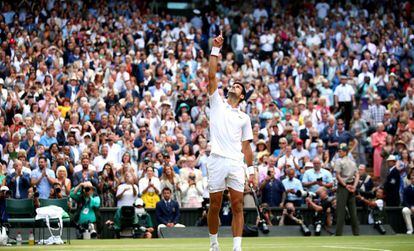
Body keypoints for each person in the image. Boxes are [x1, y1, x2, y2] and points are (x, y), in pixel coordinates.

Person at [207, 31, 254, 251]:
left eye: (238, 86)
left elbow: (246, 147)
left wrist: (251, 169)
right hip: (216, 159)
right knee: (214, 206)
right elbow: (211, 76)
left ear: (242, 96)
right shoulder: (216, 102)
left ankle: (237, 248)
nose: (234, 86)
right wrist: (216, 48)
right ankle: (214, 244)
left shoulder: (244, 117)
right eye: (233, 85)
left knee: (237, 206)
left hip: (236, 163)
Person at [334, 143, 359, 236]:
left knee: (340, 211)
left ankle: (338, 233)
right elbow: (357, 175)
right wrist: (354, 186)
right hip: (351, 187)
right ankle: (356, 233)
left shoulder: (338, 161)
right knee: (353, 211)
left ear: (345, 152)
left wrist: (345, 186)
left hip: (343, 187)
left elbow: (337, 176)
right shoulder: (353, 162)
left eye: (340, 151)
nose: (339, 152)